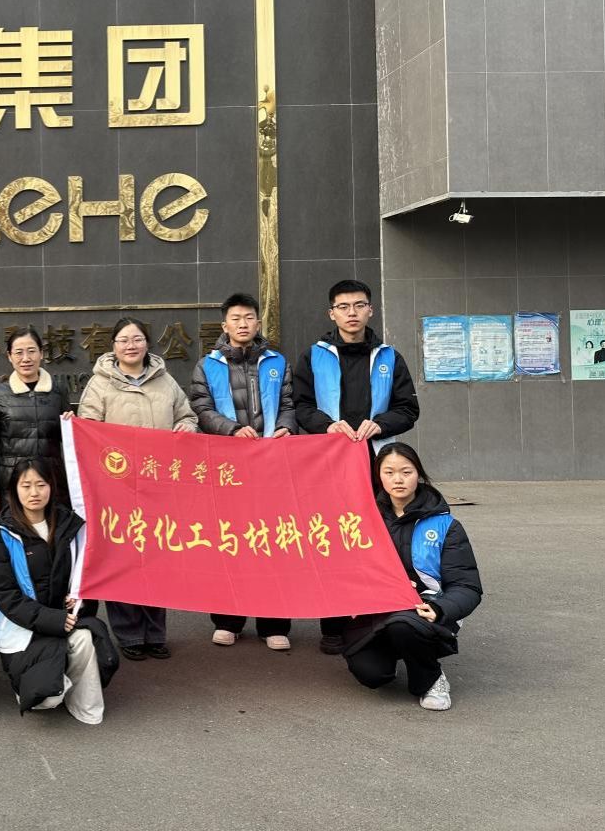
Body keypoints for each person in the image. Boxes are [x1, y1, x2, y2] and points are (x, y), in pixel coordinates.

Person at [292, 279, 419, 654]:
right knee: (332, 542)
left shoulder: (389, 357)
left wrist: (381, 424)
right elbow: (300, 405)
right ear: (331, 313)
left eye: (359, 305)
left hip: (377, 464)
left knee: (377, 542)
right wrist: (326, 426)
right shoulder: (313, 356)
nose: (352, 313)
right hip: (328, 465)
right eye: (343, 307)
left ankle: (376, 620)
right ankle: (332, 626)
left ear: (370, 310)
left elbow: (408, 409)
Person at [77, 316, 198, 660]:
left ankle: (155, 633)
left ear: (147, 343)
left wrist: (187, 427)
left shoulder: (165, 381)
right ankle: (129, 634)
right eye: (123, 340)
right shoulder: (99, 384)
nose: (131, 346)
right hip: (117, 489)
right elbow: (88, 430)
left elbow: (187, 415)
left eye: (137, 339)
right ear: (113, 347)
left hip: (160, 487)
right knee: (123, 559)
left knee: (158, 557)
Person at [189, 292, 297, 650]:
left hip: (270, 466)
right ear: (224, 325)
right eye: (235, 318)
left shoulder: (276, 362)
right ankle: (228, 621)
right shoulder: (208, 365)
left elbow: (288, 403)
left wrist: (286, 426)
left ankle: (274, 623)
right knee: (229, 542)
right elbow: (201, 407)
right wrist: (232, 429)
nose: (243, 324)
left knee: (273, 542)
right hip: (227, 467)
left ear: (258, 322)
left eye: (249, 317)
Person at [343, 443, 482, 711]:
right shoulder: (362, 520)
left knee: (404, 625)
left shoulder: (445, 525)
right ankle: (399, 652)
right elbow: (346, 571)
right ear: (378, 476)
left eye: (406, 472)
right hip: (377, 608)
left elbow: (466, 586)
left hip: (424, 610)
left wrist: (441, 608)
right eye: (389, 472)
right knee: (372, 675)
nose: (398, 479)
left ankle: (430, 679)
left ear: (418, 474)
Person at [0, 459, 118, 724]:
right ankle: (49, 684)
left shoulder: (72, 525)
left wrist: (80, 599)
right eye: (26, 486)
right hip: (23, 629)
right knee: (44, 699)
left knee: (85, 638)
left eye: (41, 484)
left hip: (64, 620)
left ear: (52, 487)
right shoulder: (3, 533)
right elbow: (4, 593)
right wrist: (52, 619)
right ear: (14, 490)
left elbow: (88, 573)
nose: (34, 492)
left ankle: (85, 707)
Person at [0, 326, 72, 518]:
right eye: (19, 352)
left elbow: (69, 442)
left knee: (54, 531)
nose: (26, 358)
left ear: (41, 353)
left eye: (31, 351)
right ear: (9, 356)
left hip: (51, 480)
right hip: (10, 482)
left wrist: (72, 426)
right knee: (12, 533)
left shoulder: (58, 391)